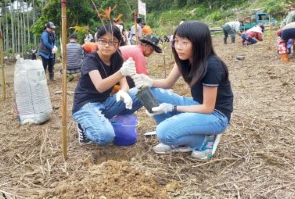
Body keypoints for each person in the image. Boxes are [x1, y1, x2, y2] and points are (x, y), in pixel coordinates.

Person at [133, 21, 233, 160]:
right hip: (197, 105)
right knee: (146, 92)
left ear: (198, 43)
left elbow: (208, 108)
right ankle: (179, 134)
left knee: (163, 133)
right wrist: (149, 81)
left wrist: (173, 108)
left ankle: (204, 141)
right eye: (176, 41)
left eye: (184, 42)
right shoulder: (184, 59)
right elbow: (167, 83)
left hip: (216, 115)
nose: (178, 47)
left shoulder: (212, 66)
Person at [72, 24, 142, 146]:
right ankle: (84, 126)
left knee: (142, 92)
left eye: (112, 41)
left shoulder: (117, 57)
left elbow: (124, 84)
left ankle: (106, 121)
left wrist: (123, 93)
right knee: (106, 137)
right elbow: (100, 86)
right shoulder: (90, 60)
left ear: (118, 43)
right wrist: (121, 72)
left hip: (105, 102)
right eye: (103, 41)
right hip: (86, 104)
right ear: (96, 42)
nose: (107, 45)